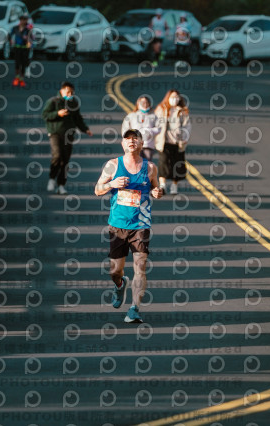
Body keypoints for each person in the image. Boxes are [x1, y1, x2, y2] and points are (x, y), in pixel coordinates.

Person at [94, 129, 164, 323]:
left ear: (141, 144)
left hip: (141, 224)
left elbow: (155, 189)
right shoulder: (113, 165)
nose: (132, 141)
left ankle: (134, 309)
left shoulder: (150, 168)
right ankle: (119, 284)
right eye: (128, 139)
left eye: (135, 138)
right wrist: (112, 184)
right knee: (115, 270)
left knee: (140, 266)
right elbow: (97, 190)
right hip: (118, 225)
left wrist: (158, 192)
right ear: (122, 144)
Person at [42, 81, 93, 194]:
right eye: (68, 92)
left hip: (68, 135)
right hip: (55, 133)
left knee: (65, 160)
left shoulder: (73, 103)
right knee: (57, 155)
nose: (70, 94)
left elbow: (77, 118)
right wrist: (57, 113)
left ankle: (61, 185)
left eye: (72, 93)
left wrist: (85, 129)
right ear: (62, 90)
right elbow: (45, 115)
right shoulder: (53, 101)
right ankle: (52, 179)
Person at [154, 89, 191, 195]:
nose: (175, 99)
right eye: (172, 97)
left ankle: (174, 185)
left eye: (177, 97)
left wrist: (185, 137)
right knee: (163, 162)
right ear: (168, 98)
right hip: (163, 142)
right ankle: (162, 185)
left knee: (177, 164)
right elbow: (154, 121)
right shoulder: (161, 109)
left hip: (178, 142)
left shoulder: (182, 111)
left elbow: (187, 126)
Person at [121, 95, 160, 161]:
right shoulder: (131, 116)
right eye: (142, 102)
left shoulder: (153, 116)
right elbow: (125, 130)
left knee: (146, 164)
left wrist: (149, 131)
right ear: (138, 104)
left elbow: (159, 128)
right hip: (134, 145)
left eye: (146, 102)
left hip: (148, 145)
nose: (145, 104)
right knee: (135, 163)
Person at [8, 13, 33, 87]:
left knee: (23, 64)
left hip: (25, 48)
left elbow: (31, 38)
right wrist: (11, 41)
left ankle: (21, 79)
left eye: (25, 19)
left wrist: (28, 40)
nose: (23, 21)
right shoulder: (15, 28)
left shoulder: (28, 29)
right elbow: (10, 35)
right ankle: (16, 77)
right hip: (17, 47)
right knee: (17, 63)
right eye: (22, 19)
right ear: (20, 20)